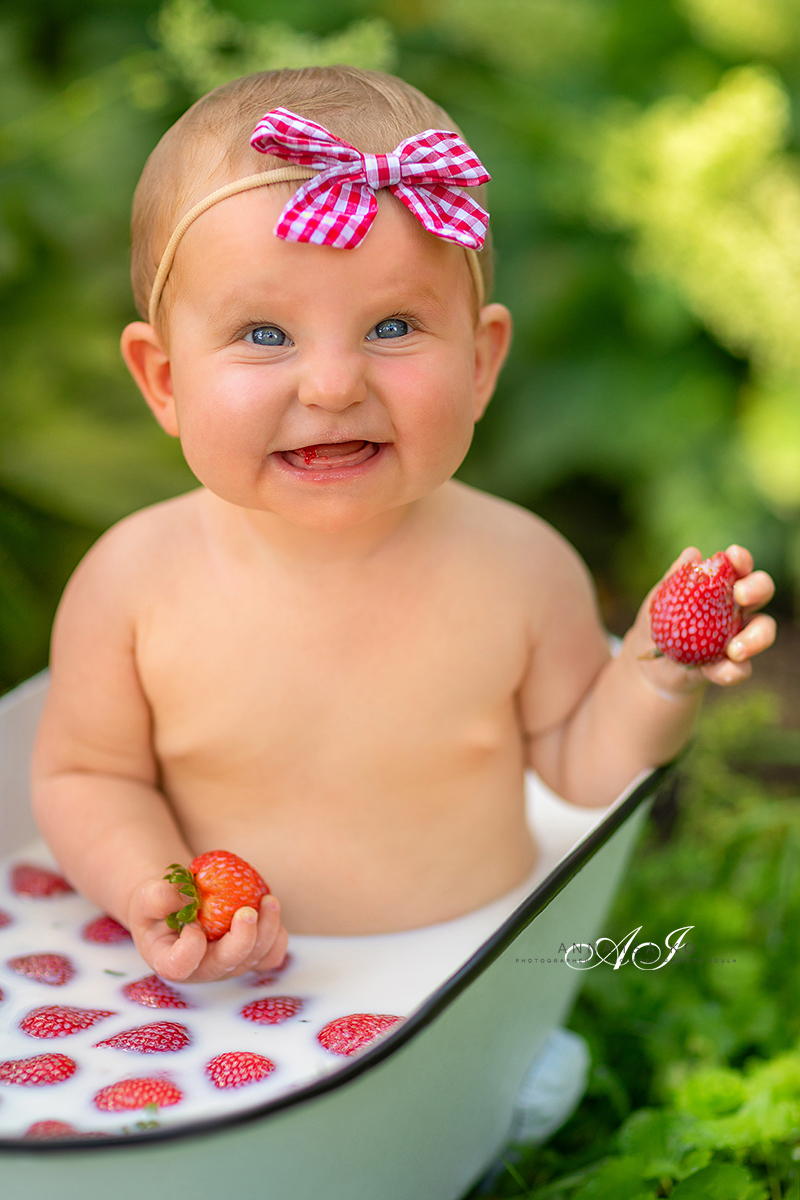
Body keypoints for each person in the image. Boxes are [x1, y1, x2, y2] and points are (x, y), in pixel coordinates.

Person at [31, 66, 775, 987]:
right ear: (166, 381)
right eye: (265, 334)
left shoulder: (521, 568)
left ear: (480, 361)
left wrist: (657, 677)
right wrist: (155, 884)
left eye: (391, 326)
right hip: (235, 985)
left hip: (468, 966)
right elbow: (85, 778)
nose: (335, 385)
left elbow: (584, 769)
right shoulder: (132, 583)